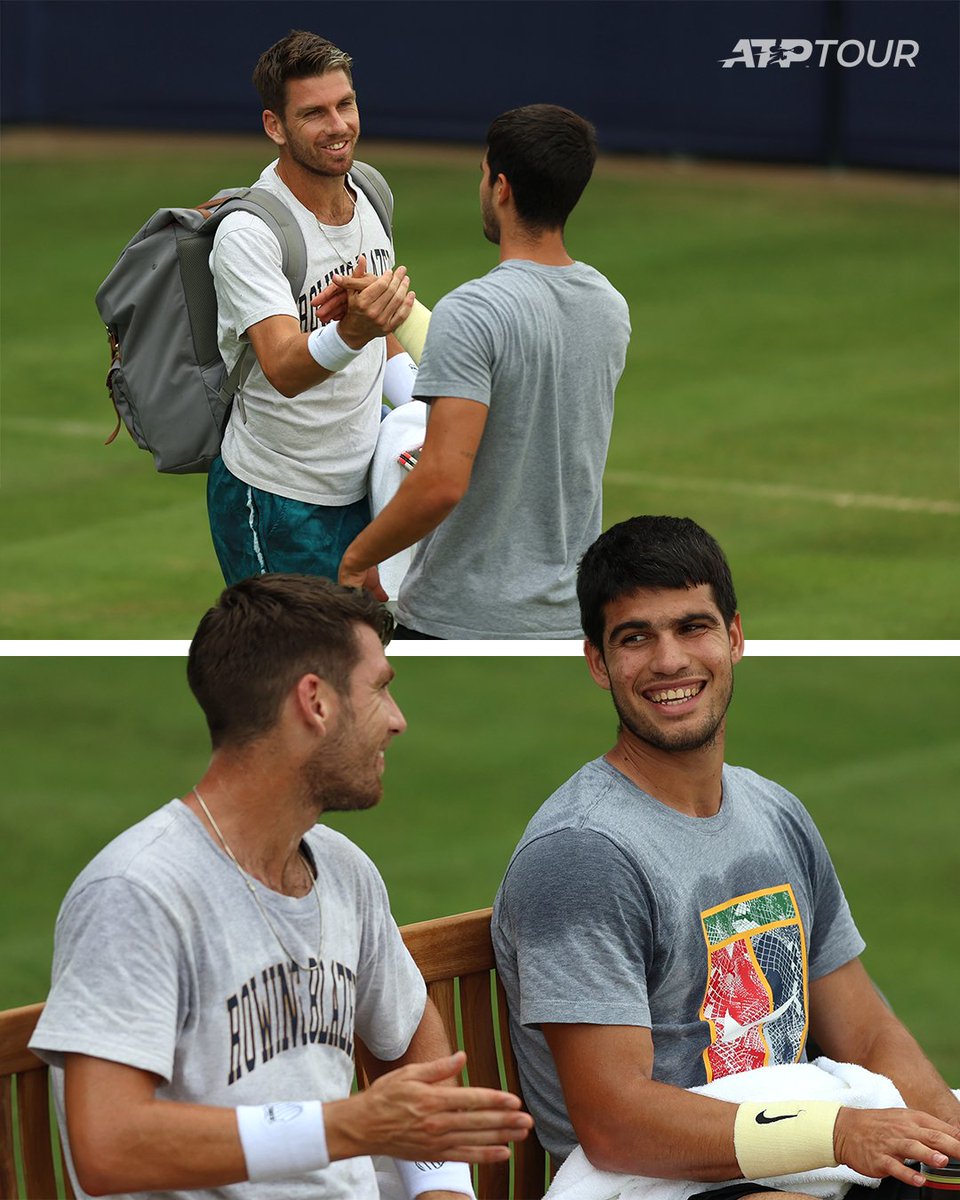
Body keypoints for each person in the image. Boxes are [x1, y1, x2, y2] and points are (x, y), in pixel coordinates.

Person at [492, 516, 960, 1193]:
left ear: (734, 638)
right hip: (665, 1180)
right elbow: (616, 1121)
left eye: (692, 627)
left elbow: (866, 1036)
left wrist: (945, 1129)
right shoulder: (583, 854)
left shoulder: (774, 812)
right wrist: (835, 1134)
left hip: (800, 1162)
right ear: (598, 662)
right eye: (635, 637)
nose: (669, 661)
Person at [29, 575, 532, 1200]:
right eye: (380, 690)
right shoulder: (136, 891)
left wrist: (443, 1191)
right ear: (315, 703)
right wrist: (344, 1126)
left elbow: (411, 1048)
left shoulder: (343, 868)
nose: (397, 721)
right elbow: (107, 1146)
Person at [337, 103, 631, 639]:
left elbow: (442, 481)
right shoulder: (609, 307)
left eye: (481, 174)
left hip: (461, 620)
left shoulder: (472, 311)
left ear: (501, 187)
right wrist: (388, 325)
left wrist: (358, 559)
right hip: (567, 621)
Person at [206, 30, 421, 586]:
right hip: (277, 501)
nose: (339, 126)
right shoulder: (248, 233)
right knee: (288, 667)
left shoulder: (370, 190)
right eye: (314, 113)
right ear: (274, 126)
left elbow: (382, 333)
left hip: (365, 486)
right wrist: (352, 330)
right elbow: (282, 369)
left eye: (345, 104)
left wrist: (425, 411)